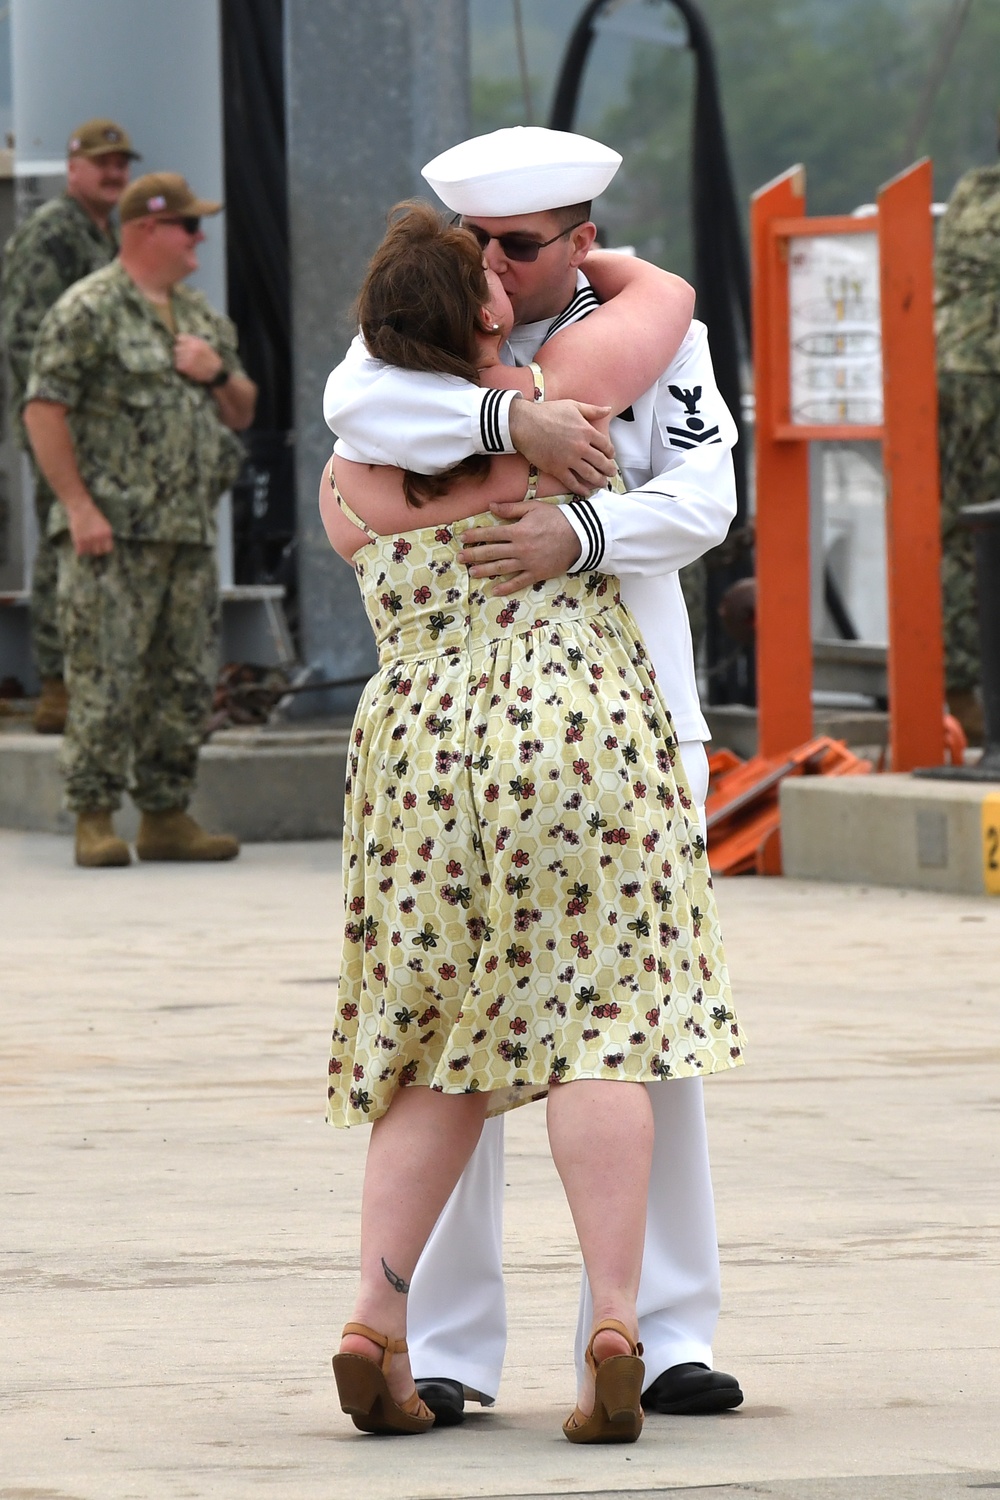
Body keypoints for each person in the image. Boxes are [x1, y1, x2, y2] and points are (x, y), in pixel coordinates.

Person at [323, 126, 744, 1426]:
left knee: (635, 1041)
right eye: (480, 247)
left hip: (611, 709)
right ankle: (454, 1351)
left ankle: (665, 1332)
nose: (494, 263)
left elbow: (708, 495)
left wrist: (586, 529)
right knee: (544, 1035)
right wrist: (522, 428)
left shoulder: (654, 341)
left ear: (579, 241)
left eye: (519, 244)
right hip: (573, 738)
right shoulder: (412, 349)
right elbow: (369, 409)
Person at [22, 172, 257, 868]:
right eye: (188, 226)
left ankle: (165, 813)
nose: (199, 238)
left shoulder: (200, 317)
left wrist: (215, 373)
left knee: (184, 678)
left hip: (187, 530)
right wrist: (79, 506)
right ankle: (94, 816)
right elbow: (44, 410)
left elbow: (242, 410)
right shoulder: (87, 309)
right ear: (147, 229)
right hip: (110, 533)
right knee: (103, 674)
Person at [1, 118, 140, 734]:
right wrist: (64, 410)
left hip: (103, 423)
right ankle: (56, 681)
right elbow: (25, 336)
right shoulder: (51, 233)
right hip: (60, 417)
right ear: (72, 169)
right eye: (102, 164)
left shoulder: (102, 233)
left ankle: (93, 674)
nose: (114, 174)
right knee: (63, 531)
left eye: (121, 164)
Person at [934, 127, 1000, 745]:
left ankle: (954, 690)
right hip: (989, 376)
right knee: (982, 532)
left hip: (940, 370)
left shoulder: (973, 189)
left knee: (954, 529)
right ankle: (966, 697)